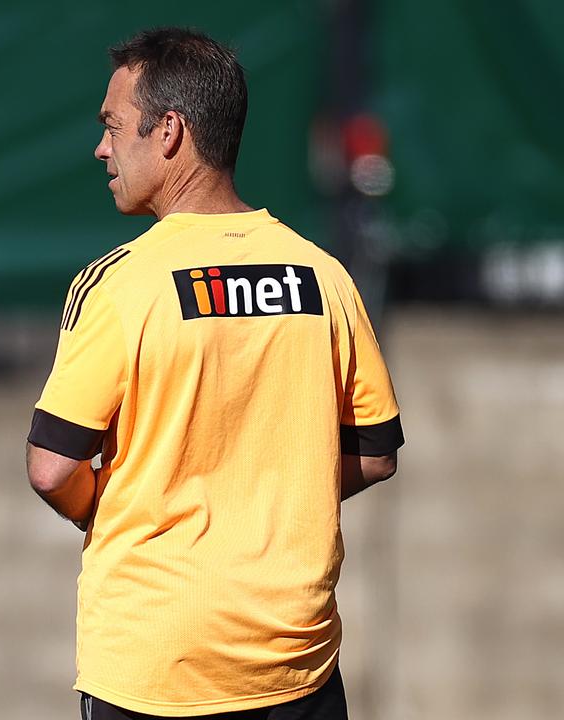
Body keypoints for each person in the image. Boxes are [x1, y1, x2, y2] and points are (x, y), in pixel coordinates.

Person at [25, 27, 403, 720]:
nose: (101, 148)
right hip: (298, 671)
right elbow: (376, 457)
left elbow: (52, 469)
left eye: (113, 126)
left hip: (157, 673)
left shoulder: (117, 285)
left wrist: (133, 502)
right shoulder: (324, 276)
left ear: (168, 132)